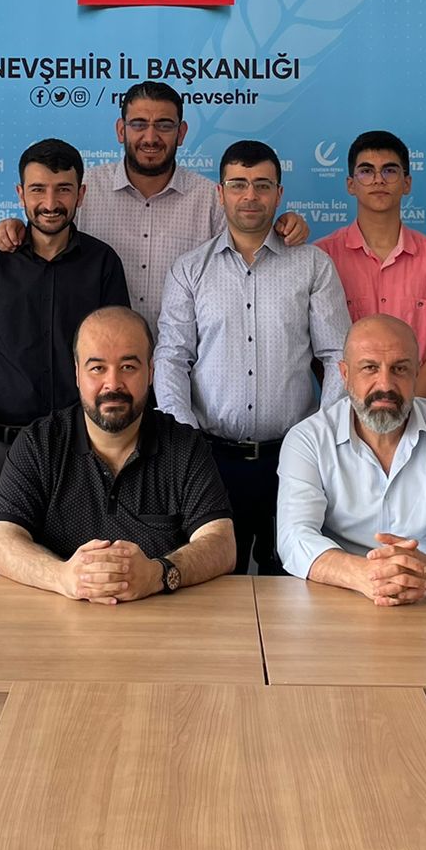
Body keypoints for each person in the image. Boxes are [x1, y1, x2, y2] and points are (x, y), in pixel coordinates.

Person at [155, 139, 350, 575]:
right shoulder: (190, 269)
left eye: (262, 185)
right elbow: (171, 358)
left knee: (296, 581)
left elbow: (338, 354)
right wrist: (185, 441)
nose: (250, 195)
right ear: (220, 192)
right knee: (215, 582)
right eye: (238, 184)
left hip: (294, 458)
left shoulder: (312, 265)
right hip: (212, 461)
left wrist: (322, 432)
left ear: (279, 194)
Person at [0, 79, 308, 328]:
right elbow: (47, 237)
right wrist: (14, 229)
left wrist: (283, 226)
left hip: (188, 371)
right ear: (121, 130)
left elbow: (249, 257)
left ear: (181, 133)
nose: (150, 137)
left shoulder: (212, 200)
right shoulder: (84, 191)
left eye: (164, 125)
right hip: (101, 372)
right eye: (139, 124)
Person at [0, 306, 235, 600]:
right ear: (77, 373)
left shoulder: (184, 447)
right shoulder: (38, 444)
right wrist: (63, 577)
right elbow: (1, 541)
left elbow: (222, 544)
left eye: (128, 367)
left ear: (151, 371)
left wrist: (158, 574)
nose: (113, 384)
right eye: (97, 368)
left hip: (161, 619)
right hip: (57, 618)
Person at [0, 138, 129, 505]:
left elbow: (119, 353)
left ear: (81, 194)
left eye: (63, 189)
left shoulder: (103, 262)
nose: (50, 203)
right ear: (20, 193)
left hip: (82, 450)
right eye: (38, 189)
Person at [277, 314, 426, 603]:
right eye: (370, 368)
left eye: (400, 369)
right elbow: (294, 537)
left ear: (417, 372)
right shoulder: (308, 440)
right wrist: (365, 574)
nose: (385, 384)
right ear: (345, 374)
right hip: (339, 597)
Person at [317, 129, 426, 405]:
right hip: (346, 417)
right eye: (366, 171)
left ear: (407, 183)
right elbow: (319, 354)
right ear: (350, 184)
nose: (378, 180)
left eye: (389, 171)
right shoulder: (322, 258)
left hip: (419, 416)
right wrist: (360, 413)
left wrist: (400, 410)